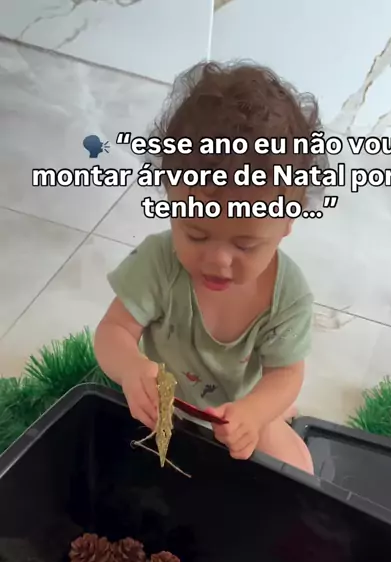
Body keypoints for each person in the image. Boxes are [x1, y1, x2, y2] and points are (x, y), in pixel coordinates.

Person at [95, 61, 327, 474]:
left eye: (244, 244)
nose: (218, 260)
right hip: (165, 405)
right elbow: (113, 331)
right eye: (196, 234)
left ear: (286, 223)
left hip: (242, 412)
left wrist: (256, 412)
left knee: (297, 471)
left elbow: (287, 373)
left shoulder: (288, 295)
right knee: (112, 462)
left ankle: (278, 417)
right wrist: (131, 368)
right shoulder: (158, 261)